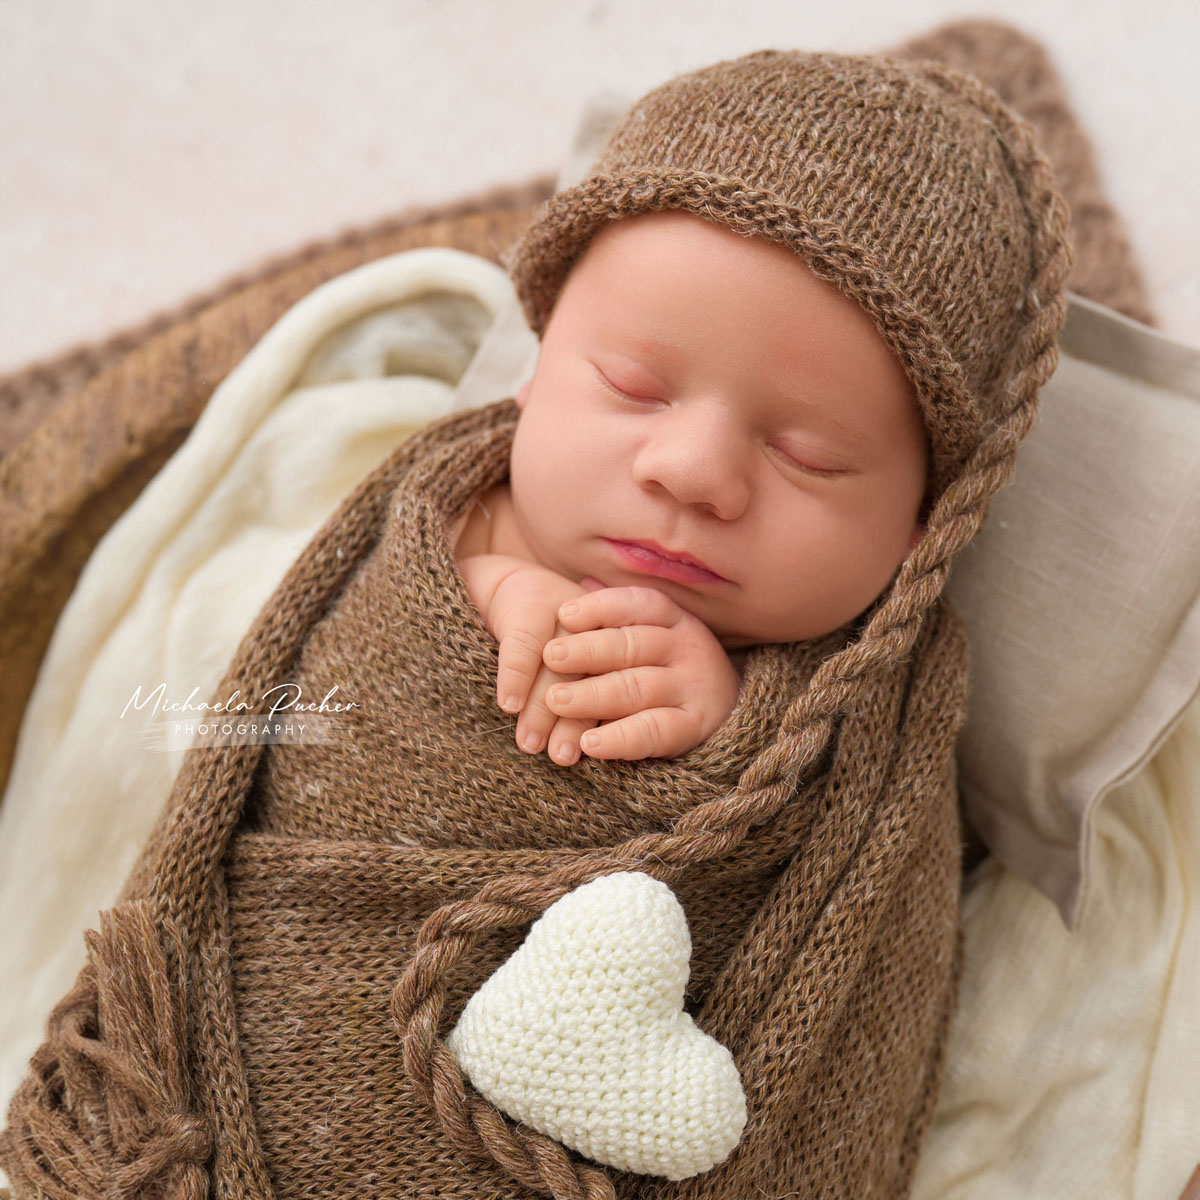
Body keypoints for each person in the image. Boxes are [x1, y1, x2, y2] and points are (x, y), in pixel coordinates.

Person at [453, 208, 929, 768]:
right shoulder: (457, 515)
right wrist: (484, 587)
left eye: (809, 457)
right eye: (630, 386)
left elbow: (872, 840)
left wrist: (736, 733)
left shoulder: (884, 702)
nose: (690, 472)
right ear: (534, 372)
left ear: (921, 528)